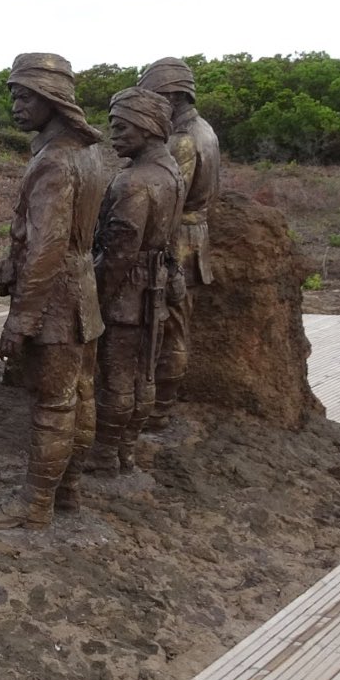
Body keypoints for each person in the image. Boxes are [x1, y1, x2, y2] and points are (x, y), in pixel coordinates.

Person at [0, 53, 108, 529]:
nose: (16, 105)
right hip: (82, 294)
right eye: (13, 94)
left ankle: (35, 504)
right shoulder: (89, 153)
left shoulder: (54, 160)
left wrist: (20, 319)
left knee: (53, 404)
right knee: (81, 395)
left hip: (55, 299)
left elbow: (48, 246)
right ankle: (66, 494)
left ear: (52, 99)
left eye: (25, 95)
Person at [87, 87, 185, 476]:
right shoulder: (171, 173)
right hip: (155, 290)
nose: (113, 135)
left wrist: (95, 296)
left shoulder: (133, 183)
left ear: (146, 127)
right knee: (144, 373)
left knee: (117, 378)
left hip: (126, 294)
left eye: (121, 126)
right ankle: (126, 450)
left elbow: (118, 254)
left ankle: (106, 453)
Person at [137, 58, 221, 429]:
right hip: (193, 237)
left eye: (154, 98)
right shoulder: (206, 130)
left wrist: (163, 256)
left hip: (178, 242)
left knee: (168, 328)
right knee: (171, 326)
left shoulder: (183, 140)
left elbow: (170, 202)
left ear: (172, 95)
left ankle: (158, 411)